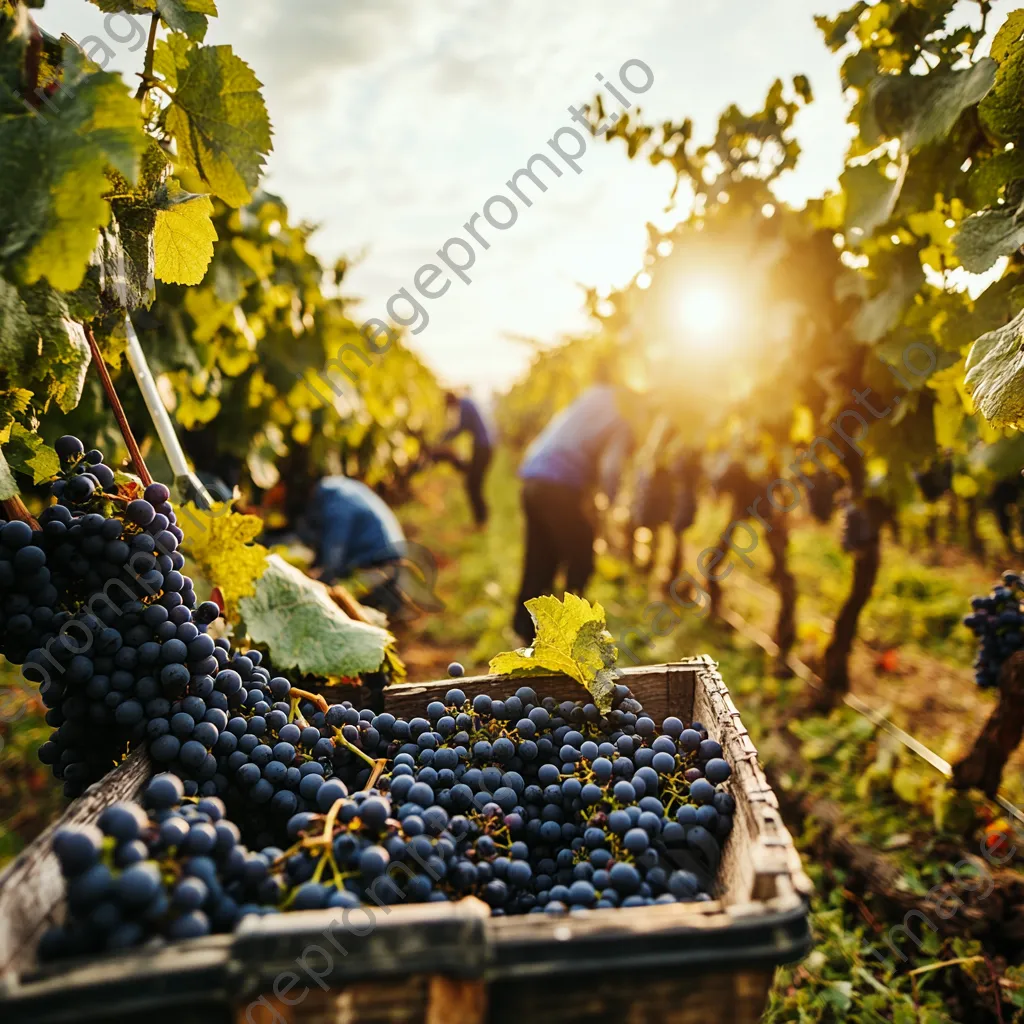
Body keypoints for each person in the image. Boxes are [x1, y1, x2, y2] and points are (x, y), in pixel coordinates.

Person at [513, 382, 635, 641]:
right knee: (581, 555)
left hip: (533, 478)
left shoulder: (593, 394)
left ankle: (524, 631)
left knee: (540, 556)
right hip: (559, 484)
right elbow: (611, 468)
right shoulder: (626, 413)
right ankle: (571, 630)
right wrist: (610, 506)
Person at [299, 476, 409, 615]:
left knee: (360, 610)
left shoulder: (336, 502)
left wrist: (323, 576)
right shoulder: (345, 489)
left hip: (378, 556)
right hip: (393, 549)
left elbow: (335, 544)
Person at [440, 391, 495, 527]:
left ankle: (481, 521)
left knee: (473, 483)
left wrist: (443, 438)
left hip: (483, 447)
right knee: (473, 482)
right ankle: (481, 520)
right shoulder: (467, 402)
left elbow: (461, 427)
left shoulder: (464, 404)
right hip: (484, 446)